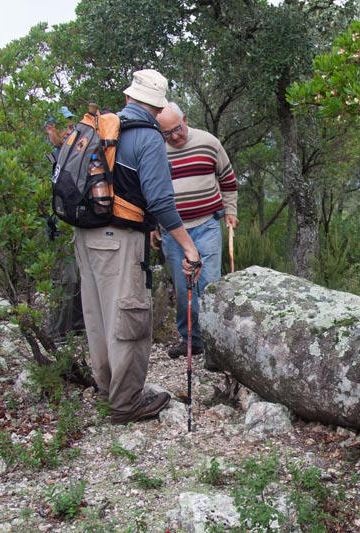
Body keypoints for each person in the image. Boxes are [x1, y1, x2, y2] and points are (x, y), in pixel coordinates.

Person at [74, 69, 203, 424]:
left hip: (85, 237)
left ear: (130, 97)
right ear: (158, 107)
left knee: (99, 314)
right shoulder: (147, 138)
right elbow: (161, 202)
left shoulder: (105, 128)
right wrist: (189, 247)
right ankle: (126, 402)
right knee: (129, 316)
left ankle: (107, 389)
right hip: (119, 239)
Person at [152, 102, 239, 370]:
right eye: (167, 134)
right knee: (183, 288)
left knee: (209, 285)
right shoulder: (156, 151)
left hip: (207, 226)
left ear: (185, 120)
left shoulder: (208, 143)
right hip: (174, 232)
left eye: (177, 129)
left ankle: (215, 347)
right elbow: (152, 192)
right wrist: (154, 226)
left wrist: (231, 210)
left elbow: (227, 179)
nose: (175, 137)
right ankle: (191, 340)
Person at [44, 106, 85, 343]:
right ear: (50, 128)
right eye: (66, 127)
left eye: (72, 127)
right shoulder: (44, 158)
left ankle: (77, 327)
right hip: (55, 229)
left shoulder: (69, 153)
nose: (70, 132)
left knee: (79, 277)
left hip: (73, 224)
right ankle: (57, 333)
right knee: (65, 279)